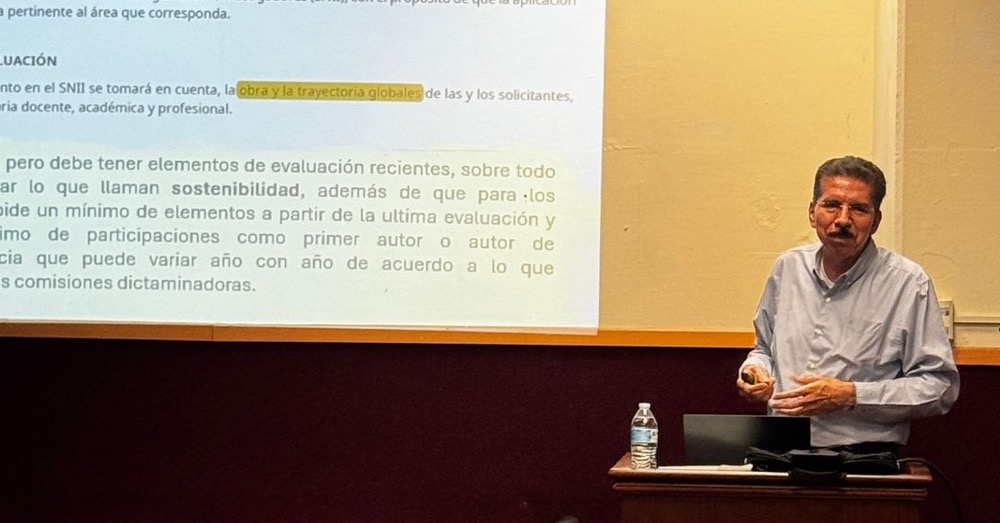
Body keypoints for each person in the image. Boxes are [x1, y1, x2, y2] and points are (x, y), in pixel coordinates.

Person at [737, 155, 959, 454]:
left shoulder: (908, 283)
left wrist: (851, 395)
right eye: (831, 205)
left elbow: (939, 387)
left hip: (862, 456)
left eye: (858, 208)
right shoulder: (787, 268)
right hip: (780, 447)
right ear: (812, 212)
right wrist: (754, 372)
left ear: (875, 221)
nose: (842, 219)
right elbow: (764, 349)